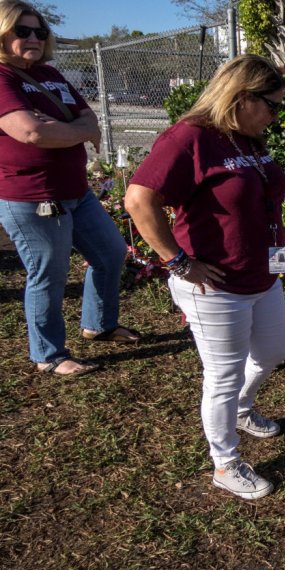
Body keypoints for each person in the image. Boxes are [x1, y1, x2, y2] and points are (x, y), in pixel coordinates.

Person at [125, 55, 285, 499]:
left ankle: (241, 409)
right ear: (241, 97)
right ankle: (225, 463)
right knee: (223, 374)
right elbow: (139, 200)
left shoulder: (247, 137)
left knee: (275, 349)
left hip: (262, 274)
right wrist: (177, 261)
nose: (276, 116)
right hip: (213, 285)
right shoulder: (190, 138)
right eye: (272, 106)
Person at [0, 0, 139, 377]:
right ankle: (48, 353)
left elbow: (88, 116)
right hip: (33, 197)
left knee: (111, 253)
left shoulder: (49, 74)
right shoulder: (2, 78)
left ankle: (99, 325)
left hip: (77, 191)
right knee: (49, 273)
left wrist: (63, 130)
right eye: (22, 31)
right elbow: (30, 132)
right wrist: (70, 132)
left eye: (40, 32)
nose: (33, 38)